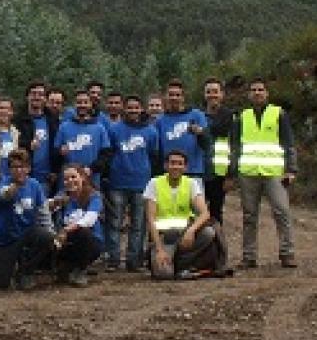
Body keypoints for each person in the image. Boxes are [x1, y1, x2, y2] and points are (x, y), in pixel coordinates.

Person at [231, 77, 298, 268]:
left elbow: (288, 143)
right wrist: (233, 173)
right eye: (254, 90)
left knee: (282, 211)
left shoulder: (278, 114)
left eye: (261, 89)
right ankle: (249, 256)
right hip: (248, 174)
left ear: (266, 93)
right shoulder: (242, 117)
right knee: (249, 216)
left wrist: (291, 169)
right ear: (249, 94)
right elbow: (235, 147)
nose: (257, 93)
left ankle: (287, 253)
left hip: (274, 173)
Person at [144, 150, 219, 279]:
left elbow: (205, 213)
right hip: (164, 238)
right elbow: (150, 219)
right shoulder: (154, 183)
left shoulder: (191, 183)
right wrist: (159, 250)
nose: (176, 167)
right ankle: (168, 262)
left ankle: (181, 264)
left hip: (184, 235)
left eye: (180, 164)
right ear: (166, 166)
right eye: (172, 163)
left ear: (185, 167)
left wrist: (191, 231)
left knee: (209, 233)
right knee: (164, 275)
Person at [106, 95, 159, 271]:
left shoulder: (151, 131)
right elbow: (108, 153)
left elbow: (154, 155)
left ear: (141, 109)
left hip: (141, 183)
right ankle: (113, 259)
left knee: (139, 225)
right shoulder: (114, 130)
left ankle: (133, 261)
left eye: (136, 107)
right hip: (117, 181)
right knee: (114, 222)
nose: (133, 111)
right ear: (124, 109)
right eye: (129, 107)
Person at [0, 149, 55, 290]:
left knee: (46, 237)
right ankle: (6, 267)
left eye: (22, 167)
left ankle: (26, 272)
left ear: (28, 168)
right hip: (5, 238)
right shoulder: (4, 183)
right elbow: (4, 195)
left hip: (26, 233)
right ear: (9, 169)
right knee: (0, 283)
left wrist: (52, 234)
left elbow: (43, 211)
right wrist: (13, 189)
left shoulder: (34, 185)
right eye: (15, 167)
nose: (19, 170)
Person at [51, 165, 104, 287]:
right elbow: (45, 209)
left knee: (83, 233)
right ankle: (66, 266)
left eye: (73, 177)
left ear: (83, 177)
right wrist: (53, 203)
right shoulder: (62, 196)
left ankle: (80, 270)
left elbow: (89, 220)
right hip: (66, 242)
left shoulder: (94, 196)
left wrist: (65, 230)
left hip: (90, 241)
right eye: (66, 179)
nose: (70, 181)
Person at [53, 89, 112, 190]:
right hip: (68, 179)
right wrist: (60, 152)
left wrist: (92, 169)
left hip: (91, 178)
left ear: (91, 104)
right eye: (79, 102)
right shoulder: (64, 127)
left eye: (85, 102)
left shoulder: (99, 128)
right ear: (74, 105)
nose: (82, 105)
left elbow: (105, 154)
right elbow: (55, 153)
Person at [154, 79, 211, 177]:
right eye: (171, 95)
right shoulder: (160, 120)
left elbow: (208, 143)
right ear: (165, 97)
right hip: (168, 172)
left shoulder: (197, 115)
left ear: (183, 97)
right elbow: (157, 150)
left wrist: (200, 133)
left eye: (177, 95)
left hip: (193, 171)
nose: (174, 98)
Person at [13, 80, 61, 194]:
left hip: (47, 178)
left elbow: (57, 146)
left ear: (45, 99)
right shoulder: (17, 120)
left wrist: (55, 170)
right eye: (33, 93)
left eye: (40, 94)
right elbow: (12, 143)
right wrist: (28, 145)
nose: (37, 97)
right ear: (27, 97)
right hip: (24, 175)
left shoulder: (53, 120)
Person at [203, 77, 236, 224]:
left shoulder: (230, 117)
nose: (212, 95)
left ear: (222, 94)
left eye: (215, 91)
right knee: (198, 213)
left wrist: (230, 175)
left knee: (216, 214)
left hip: (219, 173)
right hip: (200, 171)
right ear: (204, 95)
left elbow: (235, 147)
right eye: (208, 92)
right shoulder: (198, 116)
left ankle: (218, 246)